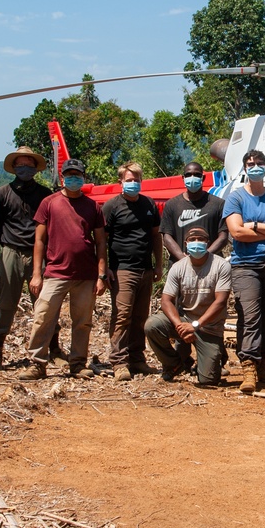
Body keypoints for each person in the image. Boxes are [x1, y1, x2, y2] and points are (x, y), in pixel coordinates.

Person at [19, 159, 107, 380]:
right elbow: (39, 240)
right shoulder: (49, 203)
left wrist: (101, 275)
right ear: (62, 178)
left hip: (86, 274)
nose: (73, 179)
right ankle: (37, 363)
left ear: (83, 178)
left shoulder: (92, 207)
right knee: (43, 316)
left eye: (77, 175)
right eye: (69, 175)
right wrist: (37, 274)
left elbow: (101, 242)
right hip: (55, 272)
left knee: (82, 321)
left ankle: (77, 364)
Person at [0, 145, 61, 371]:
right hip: (10, 251)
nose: (25, 169)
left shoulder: (45, 195)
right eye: (20, 165)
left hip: (39, 254)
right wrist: (9, 246)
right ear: (14, 167)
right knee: (5, 302)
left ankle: (53, 350)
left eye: (29, 165)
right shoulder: (2, 194)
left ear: (36, 169)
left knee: (45, 304)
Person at [223, 149, 265, 393]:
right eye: (250, 163)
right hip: (245, 266)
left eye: (259, 163)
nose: (255, 167)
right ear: (244, 169)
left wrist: (253, 225)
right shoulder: (236, 198)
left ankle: (263, 363)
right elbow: (237, 232)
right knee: (250, 316)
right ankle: (248, 367)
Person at [145, 228, 231, 385]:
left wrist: (196, 326)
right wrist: (180, 326)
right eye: (192, 240)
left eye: (201, 239)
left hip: (209, 326)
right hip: (185, 320)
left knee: (208, 380)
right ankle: (174, 363)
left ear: (208, 243)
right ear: (186, 244)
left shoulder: (221, 266)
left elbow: (220, 302)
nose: (196, 243)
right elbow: (166, 301)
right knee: (152, 325)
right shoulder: (178, 267)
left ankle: (218, 355)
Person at [103, 161, 163, 382]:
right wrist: (105, 267)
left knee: (140, 316)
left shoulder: (148, 204)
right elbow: (101, 239)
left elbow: (156, 235)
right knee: (122, 316)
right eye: (129, 180)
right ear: (121, 181)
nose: (133, 183)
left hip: (145, 269)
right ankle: (119, 361)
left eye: (137, 180)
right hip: (122, 270)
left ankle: (137, 358)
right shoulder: (112, 206)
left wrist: (158, 265)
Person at [160, 161, 228, 264]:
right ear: (183, 178)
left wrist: (205, 256)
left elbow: (223, 236)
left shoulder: (218, 204)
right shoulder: (171, 205)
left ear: (203, 178)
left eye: (197, 174)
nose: (192, 177)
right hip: (180, 266)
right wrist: (183, 259)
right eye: (188, 174)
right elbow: (167, 237)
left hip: (211, 265)